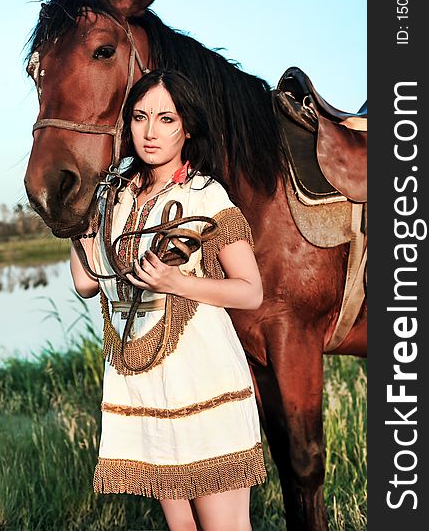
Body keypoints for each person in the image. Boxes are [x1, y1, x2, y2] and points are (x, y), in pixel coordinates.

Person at [70, 69, 266, 531]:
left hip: (204, 386)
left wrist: (180, 283)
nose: (150, 132)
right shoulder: (116, 197)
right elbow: (85, 283)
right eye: (139, 118)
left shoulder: (206, 194)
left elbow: (251, 290)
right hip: (143, 390)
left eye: (166, 118)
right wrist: (76, 223)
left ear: (187, 127)